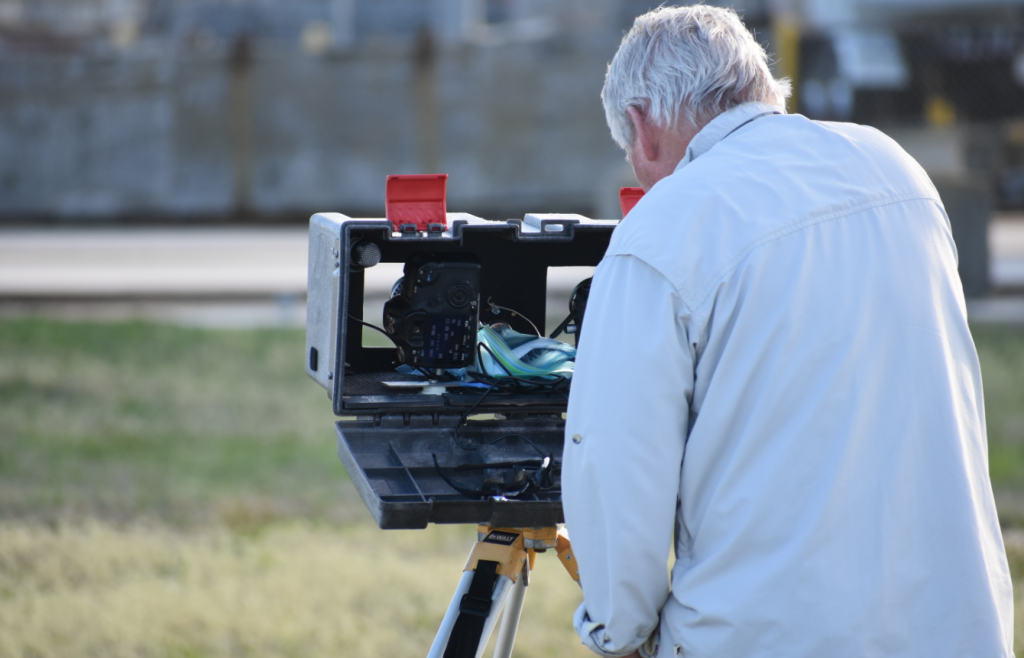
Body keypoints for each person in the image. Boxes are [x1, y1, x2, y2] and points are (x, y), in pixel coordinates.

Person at [560, 6, 1013, 658]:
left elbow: (616, 464)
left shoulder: (662, 229)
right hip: (954, 627)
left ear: (640, 127)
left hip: (761, 634)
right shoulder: (896, 171)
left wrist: (618, 629)